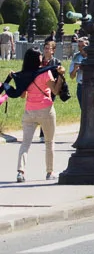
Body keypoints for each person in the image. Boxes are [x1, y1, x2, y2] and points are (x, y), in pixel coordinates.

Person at [1, 45, 67, 182]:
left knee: (25, 143)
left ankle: (20, 171)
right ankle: (49, 172)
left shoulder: (24, 75)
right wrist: (60, 76)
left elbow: (22, 95)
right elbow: (55, 91)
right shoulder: (45, 73)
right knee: (49, 142)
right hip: (46, 110)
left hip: (29, 111)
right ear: (38, 59)